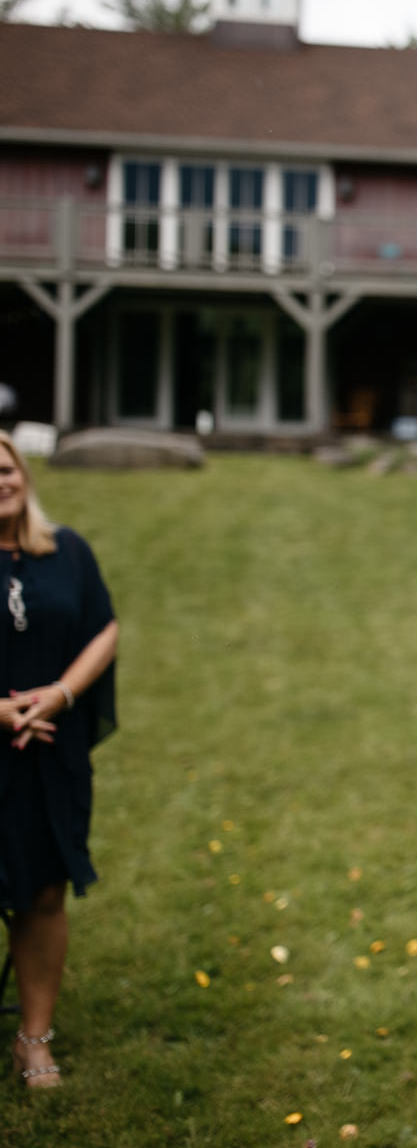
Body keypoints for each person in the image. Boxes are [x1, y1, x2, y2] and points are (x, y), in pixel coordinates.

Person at [1, 429, 120, 1089]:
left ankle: (33, 1040)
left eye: (5, 468)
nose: (0, 482)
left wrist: (61, 694)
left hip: (50, 755)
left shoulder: (66, 551)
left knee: (44, 894)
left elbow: (103, 627)